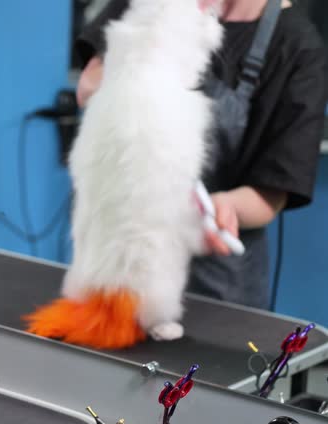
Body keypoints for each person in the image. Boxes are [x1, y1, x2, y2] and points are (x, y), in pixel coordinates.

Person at [75, 0, 327, 309]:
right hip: (123, 249)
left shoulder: (298, 47)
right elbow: (88, 88)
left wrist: (220, 208)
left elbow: (269, 196)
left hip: (217, 283)